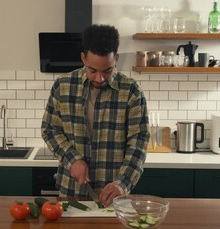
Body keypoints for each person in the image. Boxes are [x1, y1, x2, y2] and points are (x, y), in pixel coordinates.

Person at [41, 24, 150, 207]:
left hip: (115, 198)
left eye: (107, 70)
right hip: (71, 193)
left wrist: (122, 184)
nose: (99, 78)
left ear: (116, 58)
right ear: (83, 58)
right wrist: (73, 159)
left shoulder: (131, 90)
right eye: (93, 70)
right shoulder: (63, 86)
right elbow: (50, 129)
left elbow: (138, 143)